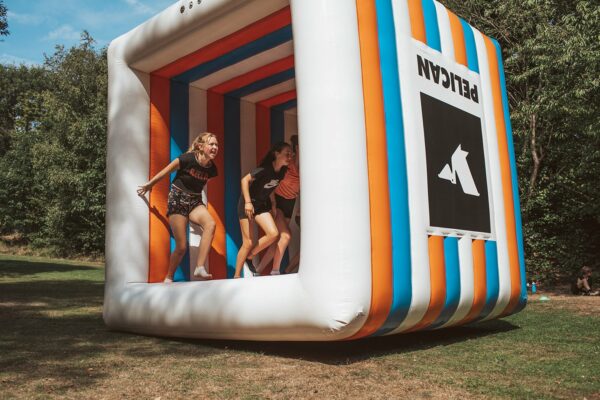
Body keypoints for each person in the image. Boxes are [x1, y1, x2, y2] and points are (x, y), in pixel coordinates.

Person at [137, 132, 219, 283]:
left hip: (195, 200)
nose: (215, 147)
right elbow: (166, 171)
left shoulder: (212, 169)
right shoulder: (187, 159)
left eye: (216, 145)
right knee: (181, 247)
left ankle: (199, 267)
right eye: (211, 144)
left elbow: (199, 185)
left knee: (211, 224)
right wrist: (150, 184)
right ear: (200, 146)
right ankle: (169, 276)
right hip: (178, 199)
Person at [233, 142, 293, 278]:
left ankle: (250, 256)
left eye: (291, 154)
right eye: (287, 153)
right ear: (277, 154)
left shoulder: (282, 172)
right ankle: (236, 276)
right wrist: (248, 202)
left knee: (273, 234)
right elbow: (244, 180)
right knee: (247, 242)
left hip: (261, 205)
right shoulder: (264, 169)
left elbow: (270, 188)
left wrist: (273, 203)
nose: (290, 157)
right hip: (247, 204)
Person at [256, 135, 300, 275]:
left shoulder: (306, 165)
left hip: (290, 203)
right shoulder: (288, 162)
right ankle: (275, 271)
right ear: (297, 148)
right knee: (286, 236)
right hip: (278, 202)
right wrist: (273, 203)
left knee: (278, 241)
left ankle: (258, 271)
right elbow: (272, 180)